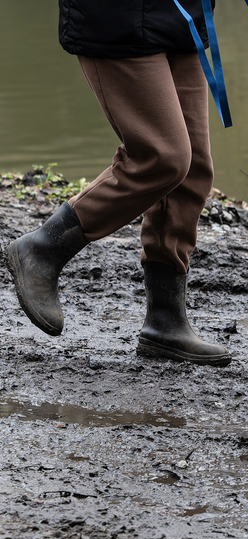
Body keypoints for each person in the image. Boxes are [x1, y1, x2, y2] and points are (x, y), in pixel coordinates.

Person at [5, 0, 230, 366]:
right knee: (163, 156)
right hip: (118, 16)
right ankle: (43, 248)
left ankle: (165, 321)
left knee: (192, 170)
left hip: (180, 15)